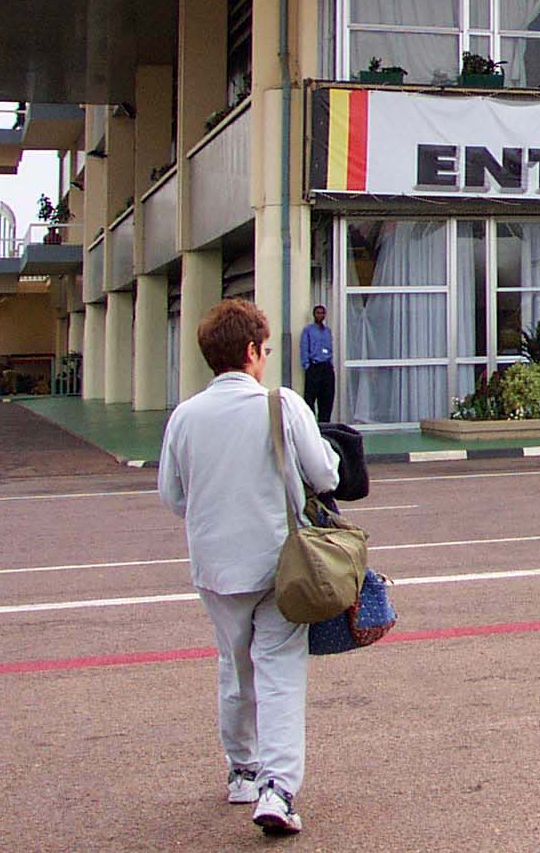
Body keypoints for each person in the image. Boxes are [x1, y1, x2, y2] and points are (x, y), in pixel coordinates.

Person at [156, 297, 342, 837]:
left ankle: (242, 770)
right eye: (264, 349)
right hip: (280, 564)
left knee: (235, 666)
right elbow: (324, 474)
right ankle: (277, 788)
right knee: (279, 670)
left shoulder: (185, 417)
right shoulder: (281, 405)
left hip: (216, 567)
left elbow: (173, 495)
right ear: (252, 351)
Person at [298, 305, 336, 423]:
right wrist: (307, 365)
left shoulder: (327, 331)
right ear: (314, 315)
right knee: (310, 398)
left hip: (326, 367)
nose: (320, 315)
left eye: (322, 313)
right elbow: (304, 347)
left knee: (327, 397)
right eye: (318, 313)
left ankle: (324, 424)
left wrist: (330, 364)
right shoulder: (308, 330)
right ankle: (311, 424)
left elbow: (330, 348)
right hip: (314, 366)